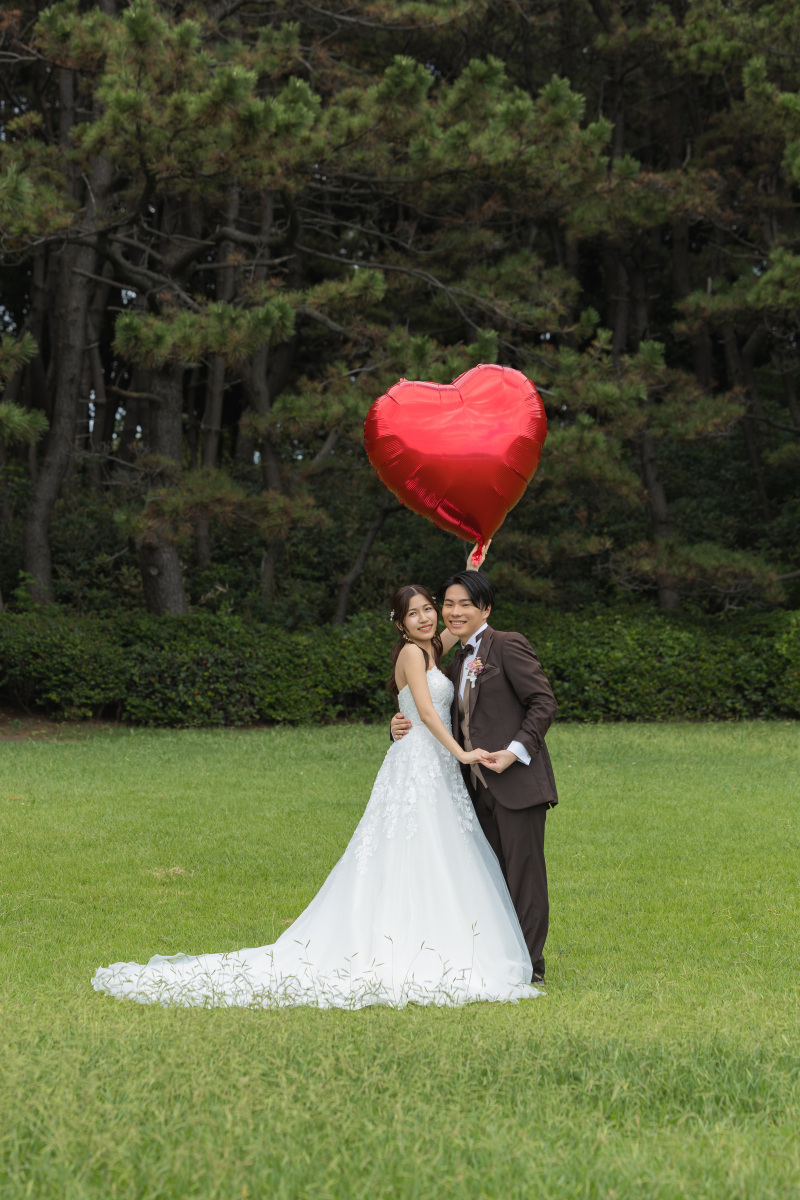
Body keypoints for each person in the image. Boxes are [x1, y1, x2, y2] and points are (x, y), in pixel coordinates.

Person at [91, 573, 542, 1009]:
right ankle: (400, 938)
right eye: (414, 613)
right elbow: (426, 712)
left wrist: (470, 577)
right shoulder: (410, 654)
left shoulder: (433, 646)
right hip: (424, 762)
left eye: (430, 609)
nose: (428, 618)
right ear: (398, 622)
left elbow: (460, 623)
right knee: (413, 846)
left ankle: (451, 934)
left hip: (433, 765)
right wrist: (460, 754)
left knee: (440, 848)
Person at [391, 545, 558, 983]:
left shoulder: (507, 645)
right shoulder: (454, 655)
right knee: (489, 880)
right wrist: (396, 727)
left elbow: (543, 703)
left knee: (524, 879)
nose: (451, 612)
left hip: (516, 781)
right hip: (469, 786)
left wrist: (516, 750)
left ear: (486, 608)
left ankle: (530, 969)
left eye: (464, 603)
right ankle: (499, 957)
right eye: (446, 604)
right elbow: (429, 709)